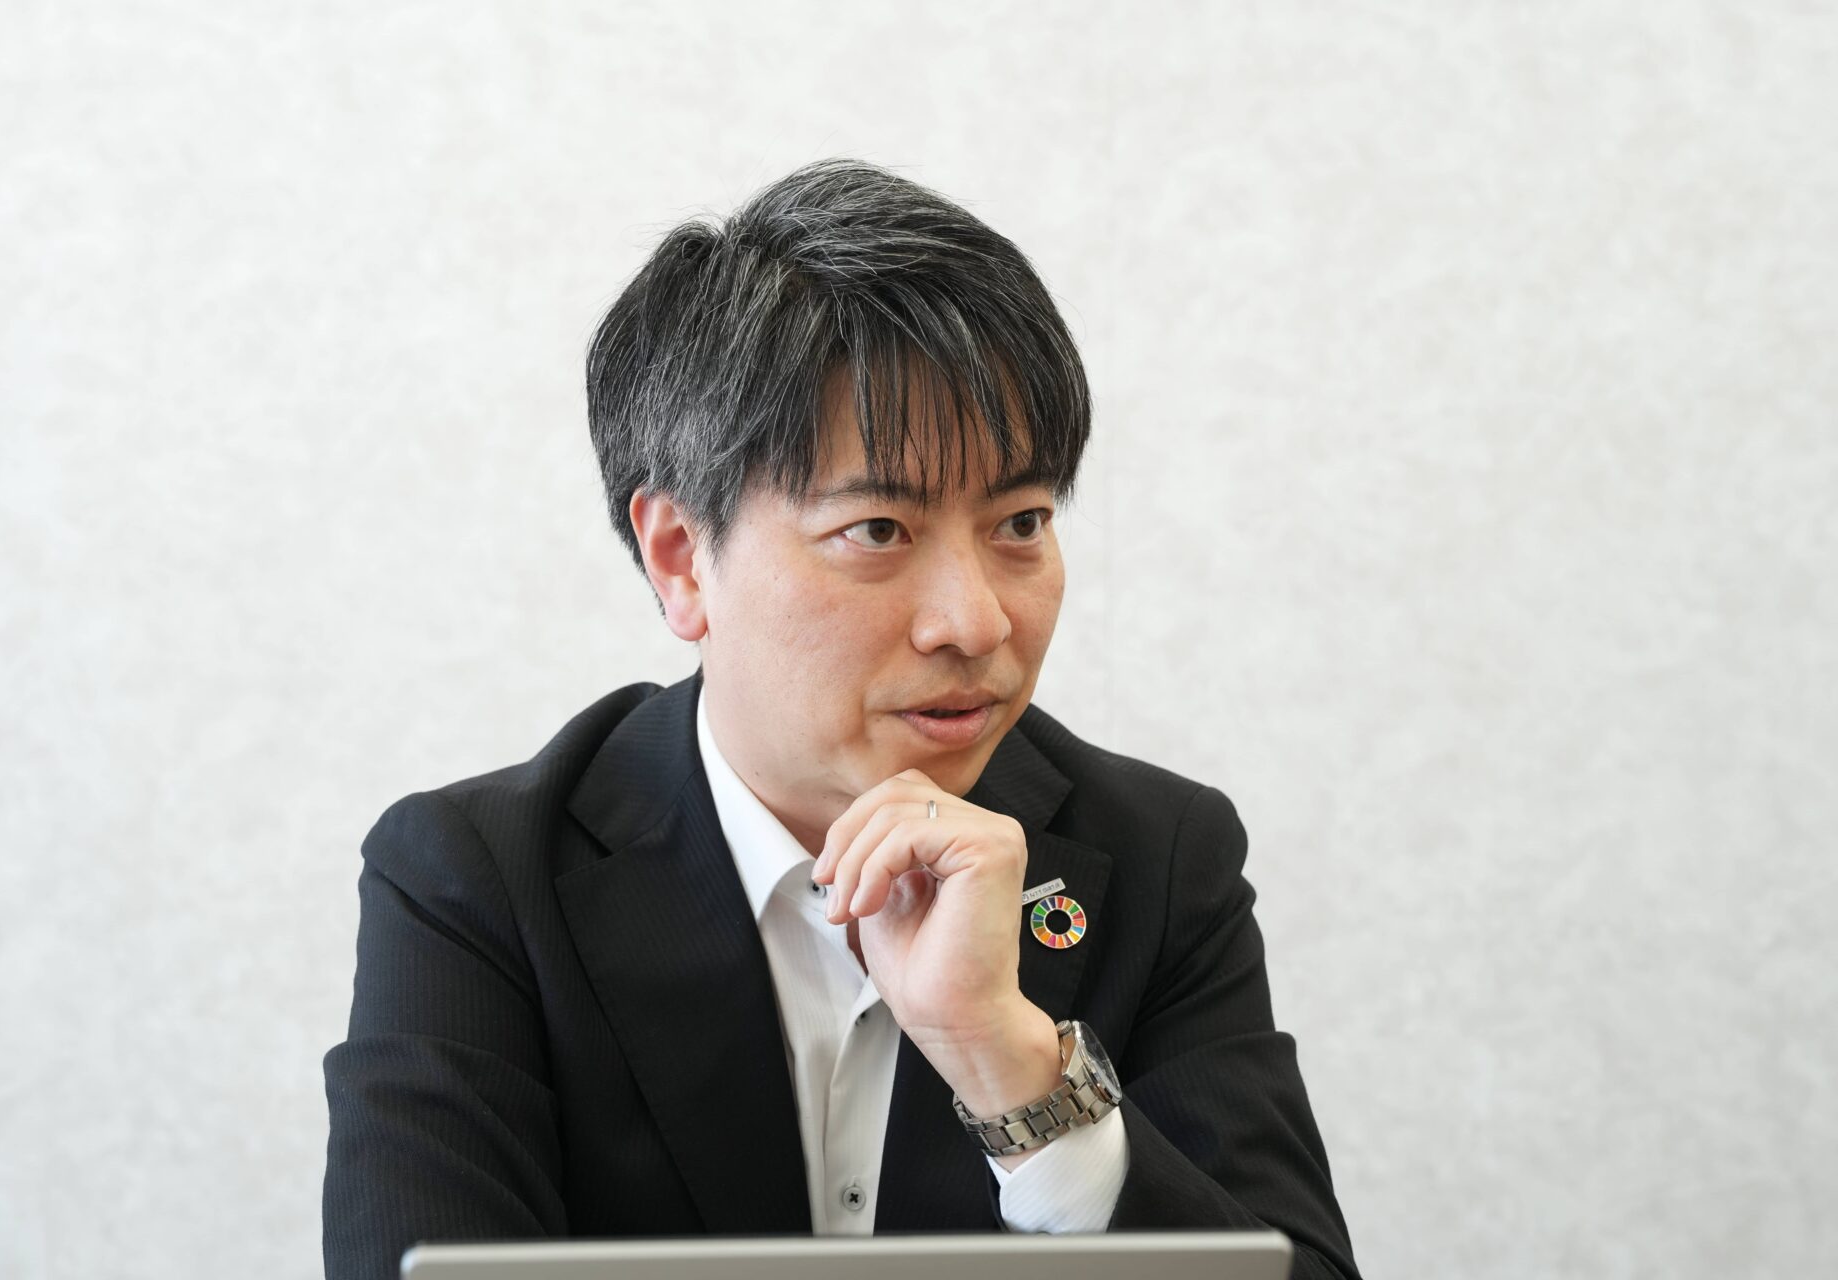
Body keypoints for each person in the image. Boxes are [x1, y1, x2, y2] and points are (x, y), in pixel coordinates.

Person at [321, 159, 1360, 1279]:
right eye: (877, 530)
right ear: (682, 559)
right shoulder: (478, 882)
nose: (975, 620)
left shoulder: (1159, 859)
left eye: (1020, 521)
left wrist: (1012, 1069)